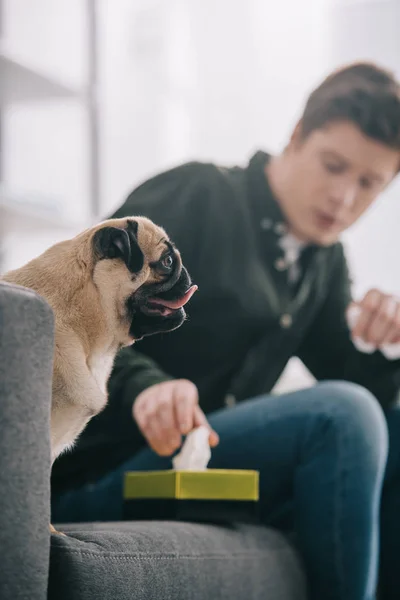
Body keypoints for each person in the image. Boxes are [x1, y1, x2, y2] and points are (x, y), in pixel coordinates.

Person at [51, 61, 400, 600]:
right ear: (297, 136)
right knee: (341, 412)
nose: (344, 198)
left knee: (384, 420)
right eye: (333, 166)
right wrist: (147, 386)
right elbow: (76, 315)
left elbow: (369, 416)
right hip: (104, 467)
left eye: (369, 185)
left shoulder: (323, 262)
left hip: (202, 472)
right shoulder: (198, 192)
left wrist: (383, 347)